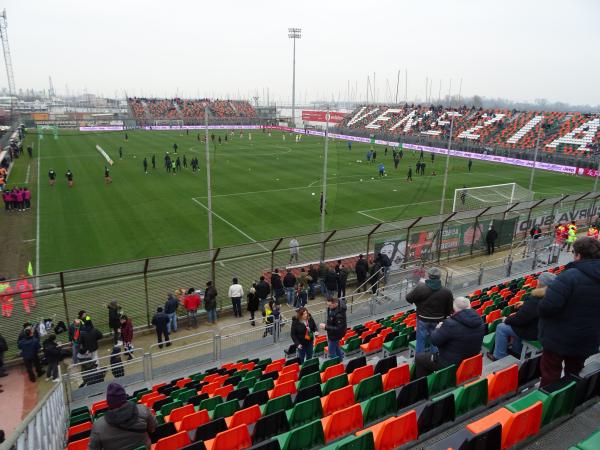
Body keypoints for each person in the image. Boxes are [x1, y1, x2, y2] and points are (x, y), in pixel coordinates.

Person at [538, 237, 600, 387]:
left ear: (578, 255)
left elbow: (547, 307)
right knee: (574, 372)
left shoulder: (570, 276)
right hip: (588, 337)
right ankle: (566, 402)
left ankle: (547, 405)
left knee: (550, 373)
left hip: (559, 338)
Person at [488, 272, 556, 361]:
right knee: (517, 327)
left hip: (534, 333)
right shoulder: (554, 298)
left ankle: (498, 356)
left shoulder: (536, 300)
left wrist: (506, 319)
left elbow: (520, 319)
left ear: (540, 284)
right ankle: (516, 351)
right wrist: (526, 304)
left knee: (501, 327)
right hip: (545, 330)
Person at [414, 297, 485, 378]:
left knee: (419, 358)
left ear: (454, 308)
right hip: (471, 361)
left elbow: (434, 341)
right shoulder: (480, 321)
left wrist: (437, 329)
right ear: (470, 306)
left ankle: (423, 387)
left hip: (451, 364)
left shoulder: (450, 324)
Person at [88, 382, 157, 450]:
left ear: (109, 402)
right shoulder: (143, 409)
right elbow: (153, 428)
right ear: (124, 397)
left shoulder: (98, 426)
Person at [406, 267, 454, 354]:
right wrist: (443, 317)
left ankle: (419, 360)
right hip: (438, 320)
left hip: (422, 319)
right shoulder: (446, 291)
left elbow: (408, 298)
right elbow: (450, 309)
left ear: (429, 276)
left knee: (420, 340)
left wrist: (418, 303)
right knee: (435, 341)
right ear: (439, 277)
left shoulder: (420, 287)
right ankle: (434, 359)